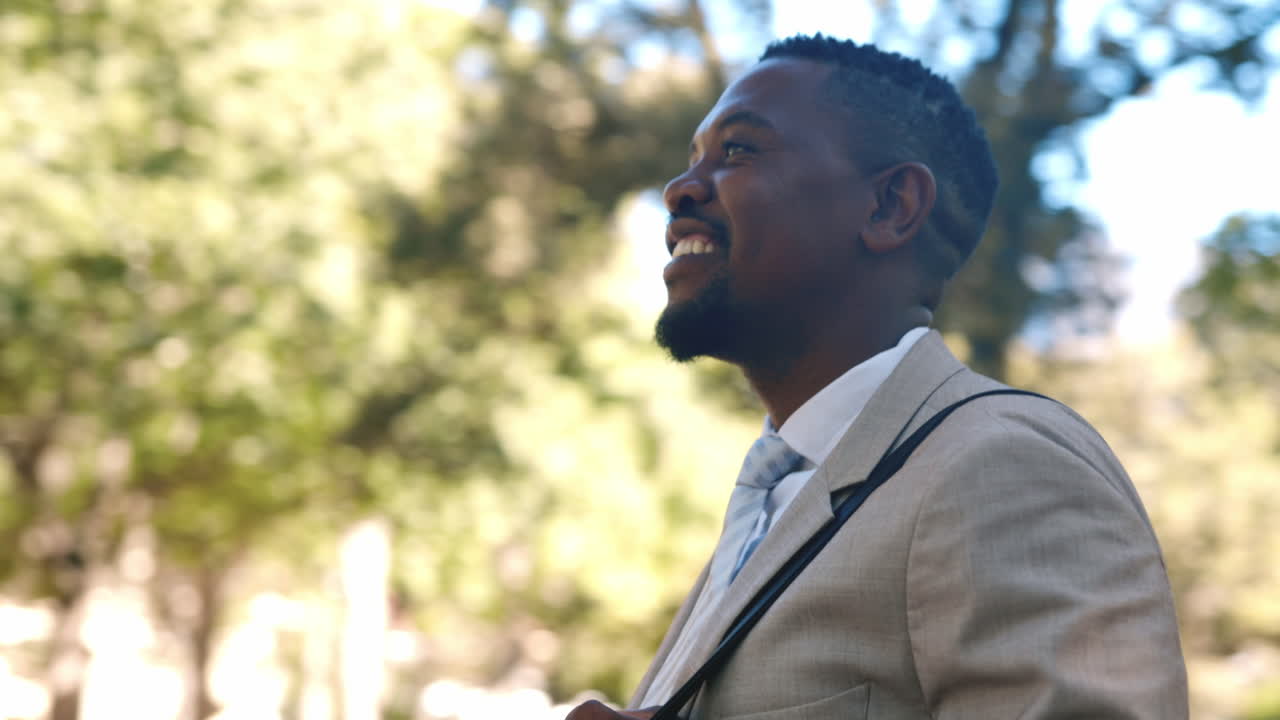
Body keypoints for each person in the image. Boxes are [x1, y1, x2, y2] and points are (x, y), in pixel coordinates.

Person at [567, 34, 1187, 720]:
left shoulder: (1000, 463)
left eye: (739, 151)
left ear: (890, 206)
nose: (680, 188)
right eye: (693, 159)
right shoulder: (778, 495)